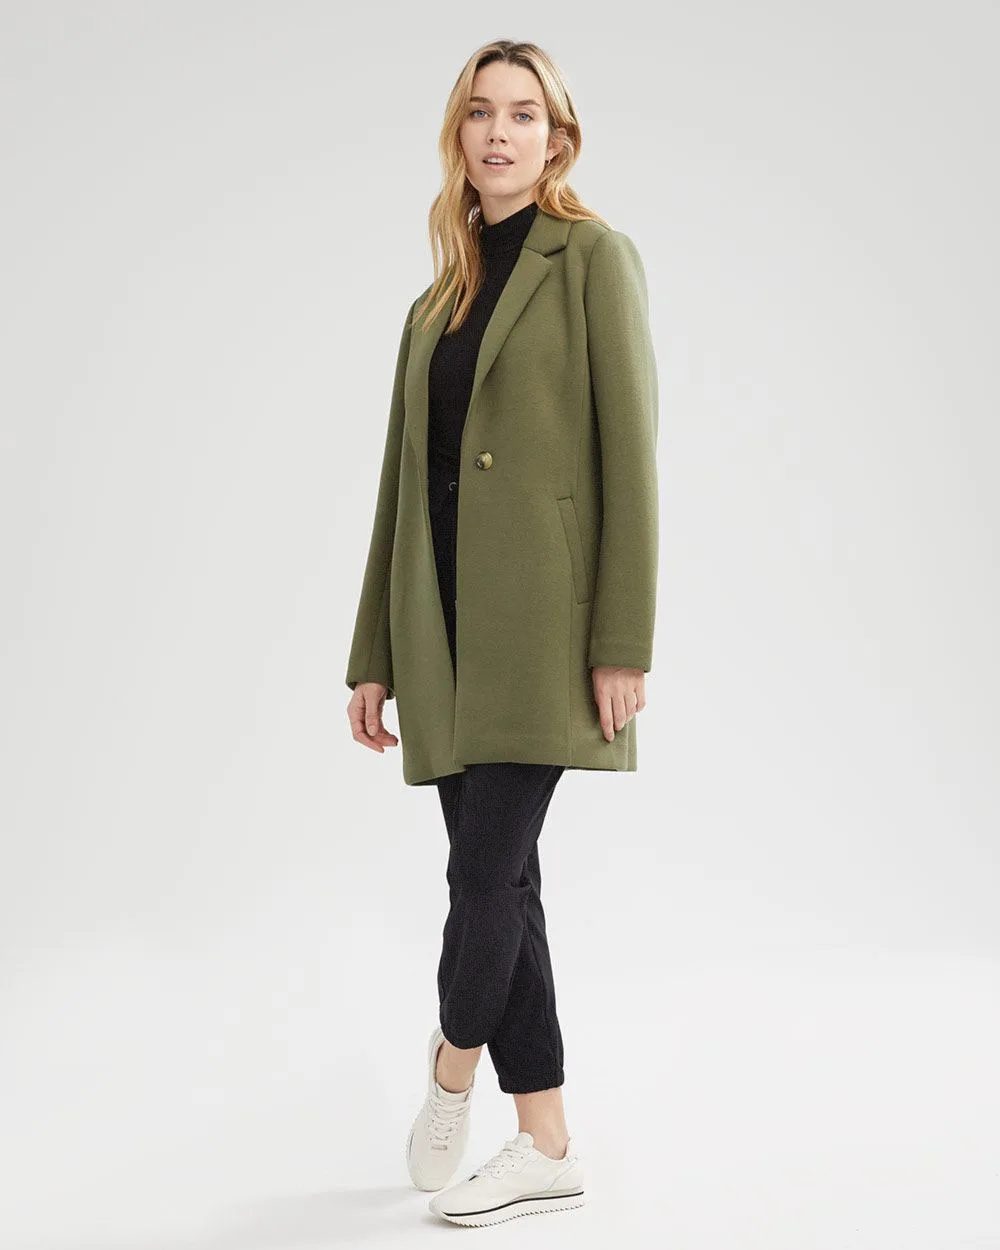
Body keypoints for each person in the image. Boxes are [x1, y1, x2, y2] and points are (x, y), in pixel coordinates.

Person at [345, 39, 658, 1228]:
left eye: (524, 114)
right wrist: (374, 653)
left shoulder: (594, 261)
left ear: (556, 139)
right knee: (507, 882)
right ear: (458, 135)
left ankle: (451, 1064)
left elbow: (630, 458)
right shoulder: (435, 302)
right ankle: (547, 1142)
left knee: (480, 872)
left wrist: (621, 636)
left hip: (542, 629)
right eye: (480, 112)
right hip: (439, 628)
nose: (499, 132)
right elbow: (399, 486)